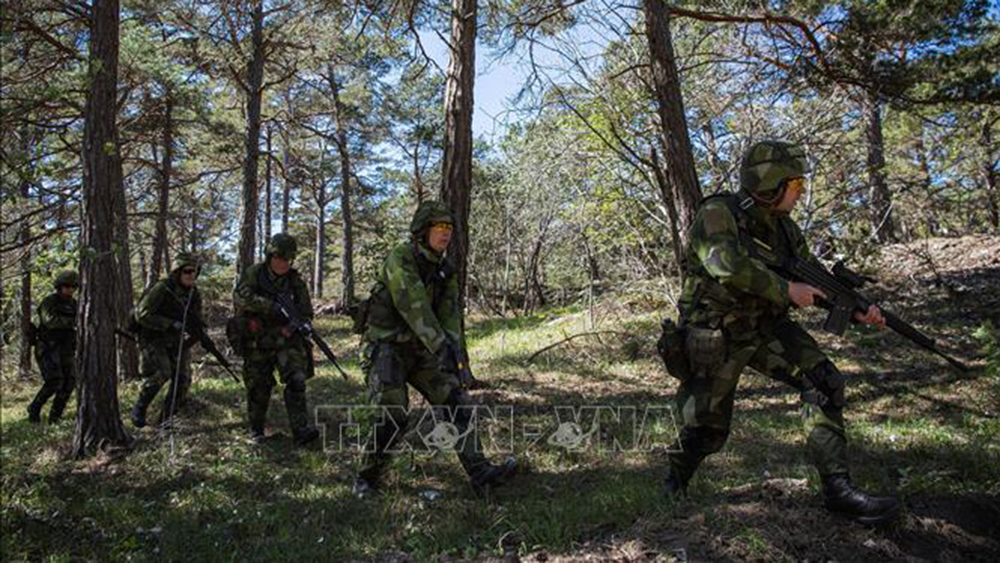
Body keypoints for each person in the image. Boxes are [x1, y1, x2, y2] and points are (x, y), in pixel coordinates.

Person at [661, 140, 900, 525]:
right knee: (707, 431)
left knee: (823, 381)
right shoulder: (718, 213)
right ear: (771, 184)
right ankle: (673, 482)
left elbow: (811, 276)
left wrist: (854, 309)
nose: (800, 193)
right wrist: (785, 290)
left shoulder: (785, 229)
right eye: (796, 185)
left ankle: (838, 491)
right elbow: (725, 264)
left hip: (767, 327)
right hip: (717, 333)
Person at [354, 200, 516, 497]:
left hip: (421, 350)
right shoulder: (400, 258)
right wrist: (441, 346)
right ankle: (367, 478)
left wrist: (457, 356)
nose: (446, 234)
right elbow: (412, 304)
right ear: (422, 230)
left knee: (456, 401)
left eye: (450, 228)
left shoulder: (445, 270)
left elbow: (451, 316)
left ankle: (480, 474)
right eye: (439, 227)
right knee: (393, 413)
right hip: (386, 347)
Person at [233, 233, 320, 446]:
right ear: (270, 256)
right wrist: (270, 307)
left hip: (285, 340)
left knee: (297, 380)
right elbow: (240, 298)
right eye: (279, 258)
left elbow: (306, 312)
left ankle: (301, 430)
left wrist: (294, 326)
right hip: (258, 340)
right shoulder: (254, 274)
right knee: (258, 385)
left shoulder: (295, 281)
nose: (283, 263)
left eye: (288, 259)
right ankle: (256, 429)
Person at [130, 253, 204, 428]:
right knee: (163, 373)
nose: (191, 275)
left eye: (195, 272)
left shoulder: (194, 293)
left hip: (176, 339)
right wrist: (170, 324)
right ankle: (139, 409)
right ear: (178, 272)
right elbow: (142, 314)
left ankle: (166, 419)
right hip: (153, 337)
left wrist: (197, 332)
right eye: (187, 271)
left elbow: (196, 319)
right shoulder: (162, 288)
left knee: (183, 379)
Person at [27, 270, 78, 424]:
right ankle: (34, 408)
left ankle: (55, 417)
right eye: (66, 286)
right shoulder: (49, 301)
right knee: (54, 381)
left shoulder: (74, 303)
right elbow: (50, 321)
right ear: (59, 286)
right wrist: (73, 322)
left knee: (69, 382)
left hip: (66, 348)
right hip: (48, 347)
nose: (70, 289)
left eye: (73, 286)